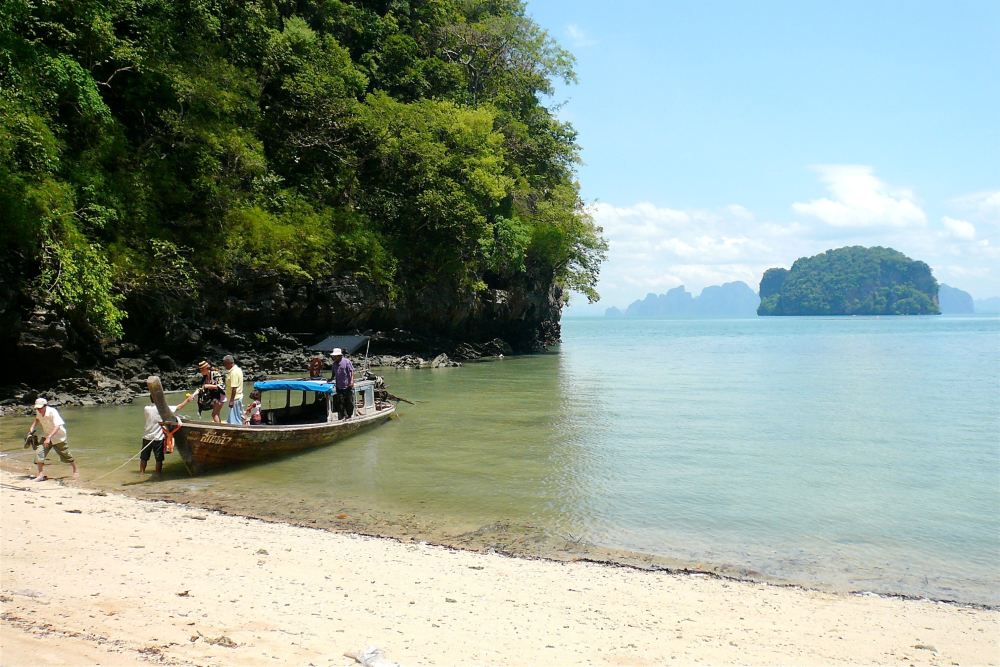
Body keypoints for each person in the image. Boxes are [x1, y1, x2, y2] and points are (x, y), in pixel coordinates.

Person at [141, 393, 195, 475]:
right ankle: (158, 475)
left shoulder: (146, 408)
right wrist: (188, 400)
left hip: (146, 436)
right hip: (157, 438)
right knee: (159, 459)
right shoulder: (162, 409)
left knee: (144, 458)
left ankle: (142, 473)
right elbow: (179, 407)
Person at [26, 398, 78, 482]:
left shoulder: (52, 412)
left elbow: (57, 426)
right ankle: (40, 475)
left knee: (66, 455)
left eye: (40, 408)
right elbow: (37, 419)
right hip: (46, 436)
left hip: (58, 437)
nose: (38, 410)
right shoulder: (39, 412)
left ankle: (75, 469)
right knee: (39, 452)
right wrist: (32, 427)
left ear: (45, 406)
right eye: (37, 408)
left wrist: (49, 437)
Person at [330, 348, 354, 420]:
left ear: (339, 356)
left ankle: (349, 416)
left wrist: (352, 381)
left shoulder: (347, 362)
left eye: (335, 356)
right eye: (333, 356)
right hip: (339, 386)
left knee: (349, 402)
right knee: (340, 402)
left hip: (347, 386)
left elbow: (351, 371)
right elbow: (334, 373)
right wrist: (331, 378)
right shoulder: (334, 364)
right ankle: (342, 416)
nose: (333, 358)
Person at [223, 354, 244, 425]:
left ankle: (237, 433)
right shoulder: (238, 369)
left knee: (235, 421)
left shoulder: (234, 372)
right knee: (235, 417)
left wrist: (231, 401)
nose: (224, 366)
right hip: (236, 398)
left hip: (235, 399)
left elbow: (234, 388)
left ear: (229, 363)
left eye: (225, 364)